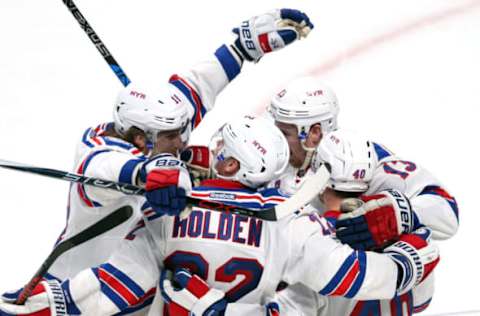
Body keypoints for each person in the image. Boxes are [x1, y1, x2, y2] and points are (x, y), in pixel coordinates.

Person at [0, 116, 440, 316]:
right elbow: (366, 280)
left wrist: (43, 304)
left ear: (229, 166)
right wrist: (418, 251)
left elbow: (112, 289)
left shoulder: (167, 213)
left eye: (222, 153)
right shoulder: (294, 224)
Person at [40, 8, 314, 283]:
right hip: (75, 294)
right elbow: (107, 168)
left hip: (138, 291)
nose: (183, 140)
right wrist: (149, 174)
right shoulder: (97, 157)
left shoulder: (160, 126)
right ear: (140, 139)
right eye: (173, 136)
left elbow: (198, 84)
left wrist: (242, 47)